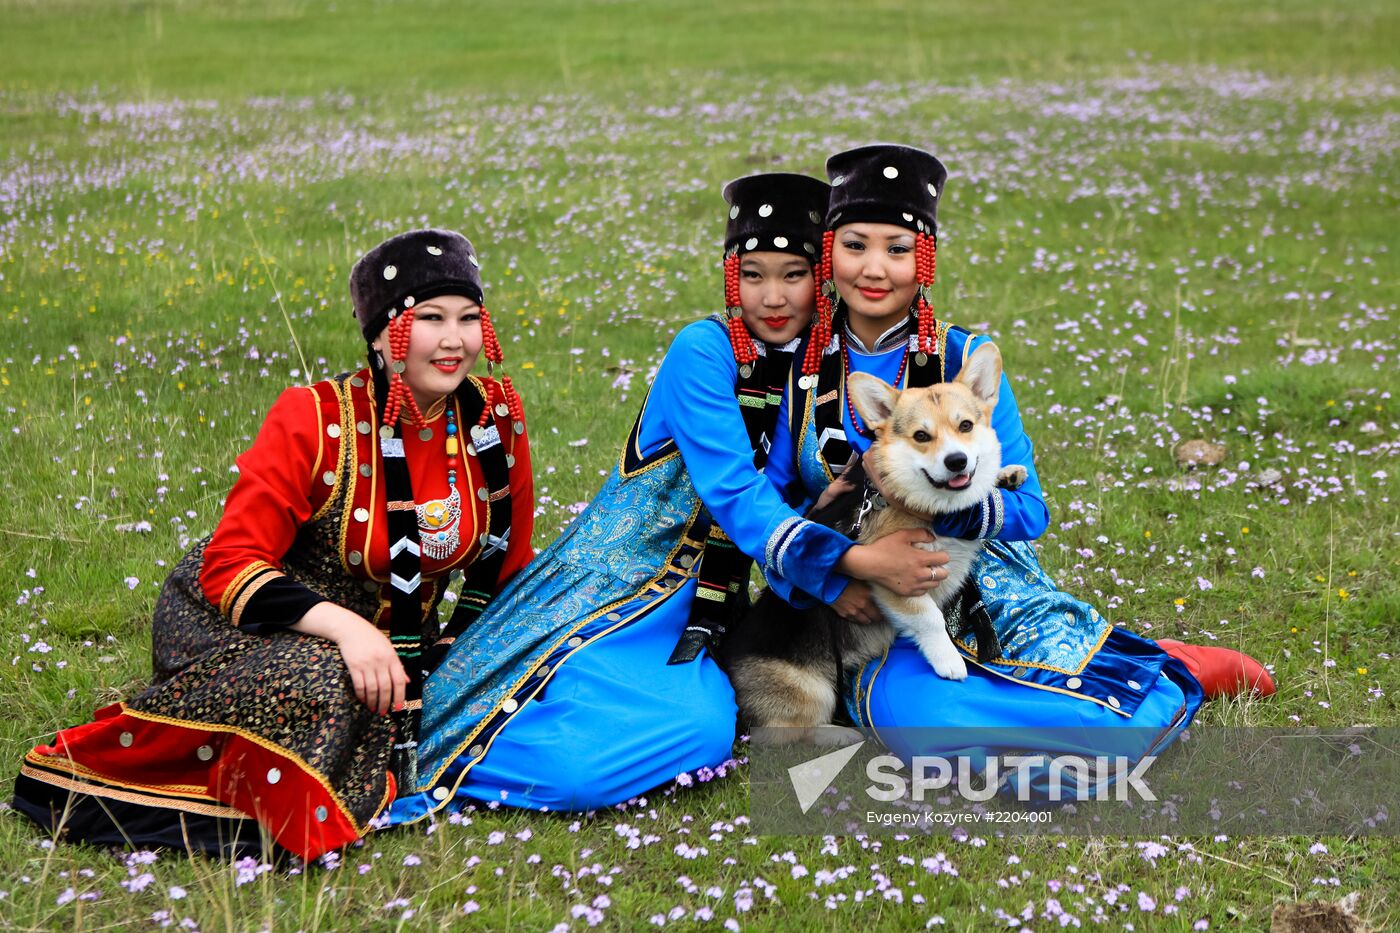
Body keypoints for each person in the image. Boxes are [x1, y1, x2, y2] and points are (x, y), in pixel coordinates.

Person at [387, 173, 944, 823]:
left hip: (702, 622)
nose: (772, 296)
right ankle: (475, 755)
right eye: (754, 274)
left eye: (793, 274)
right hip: (607, 594)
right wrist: (847, 565)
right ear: (731, 275)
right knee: (578, 770)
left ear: (821, 279)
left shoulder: (816, 371)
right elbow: (736, 492)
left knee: (706, 732)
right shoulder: (703, 351)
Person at [763, 145, 1273, 789]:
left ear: (923, 257)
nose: (874, 268)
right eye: (855, 246)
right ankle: (1080, 711)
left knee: (1044, 709)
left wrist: (939, 500)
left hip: (988, 585)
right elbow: (774, 512)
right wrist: (843, 569)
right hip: (869, 610)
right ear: (828, 252)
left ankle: (1169, 669)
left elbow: (1032, 510)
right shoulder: (798, 374)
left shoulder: (964, 355)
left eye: (897, 248)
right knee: (924, 729)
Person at [14, 230, 535, 859]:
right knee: (332, 681)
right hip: (250, 620)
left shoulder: (493, 416)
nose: (455, 341)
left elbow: (510, 562)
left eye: (469, 319)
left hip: (396, 637)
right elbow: (230, 564)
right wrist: (351, 632)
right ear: (378, 334)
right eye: (430, 318)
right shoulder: (314, 417)